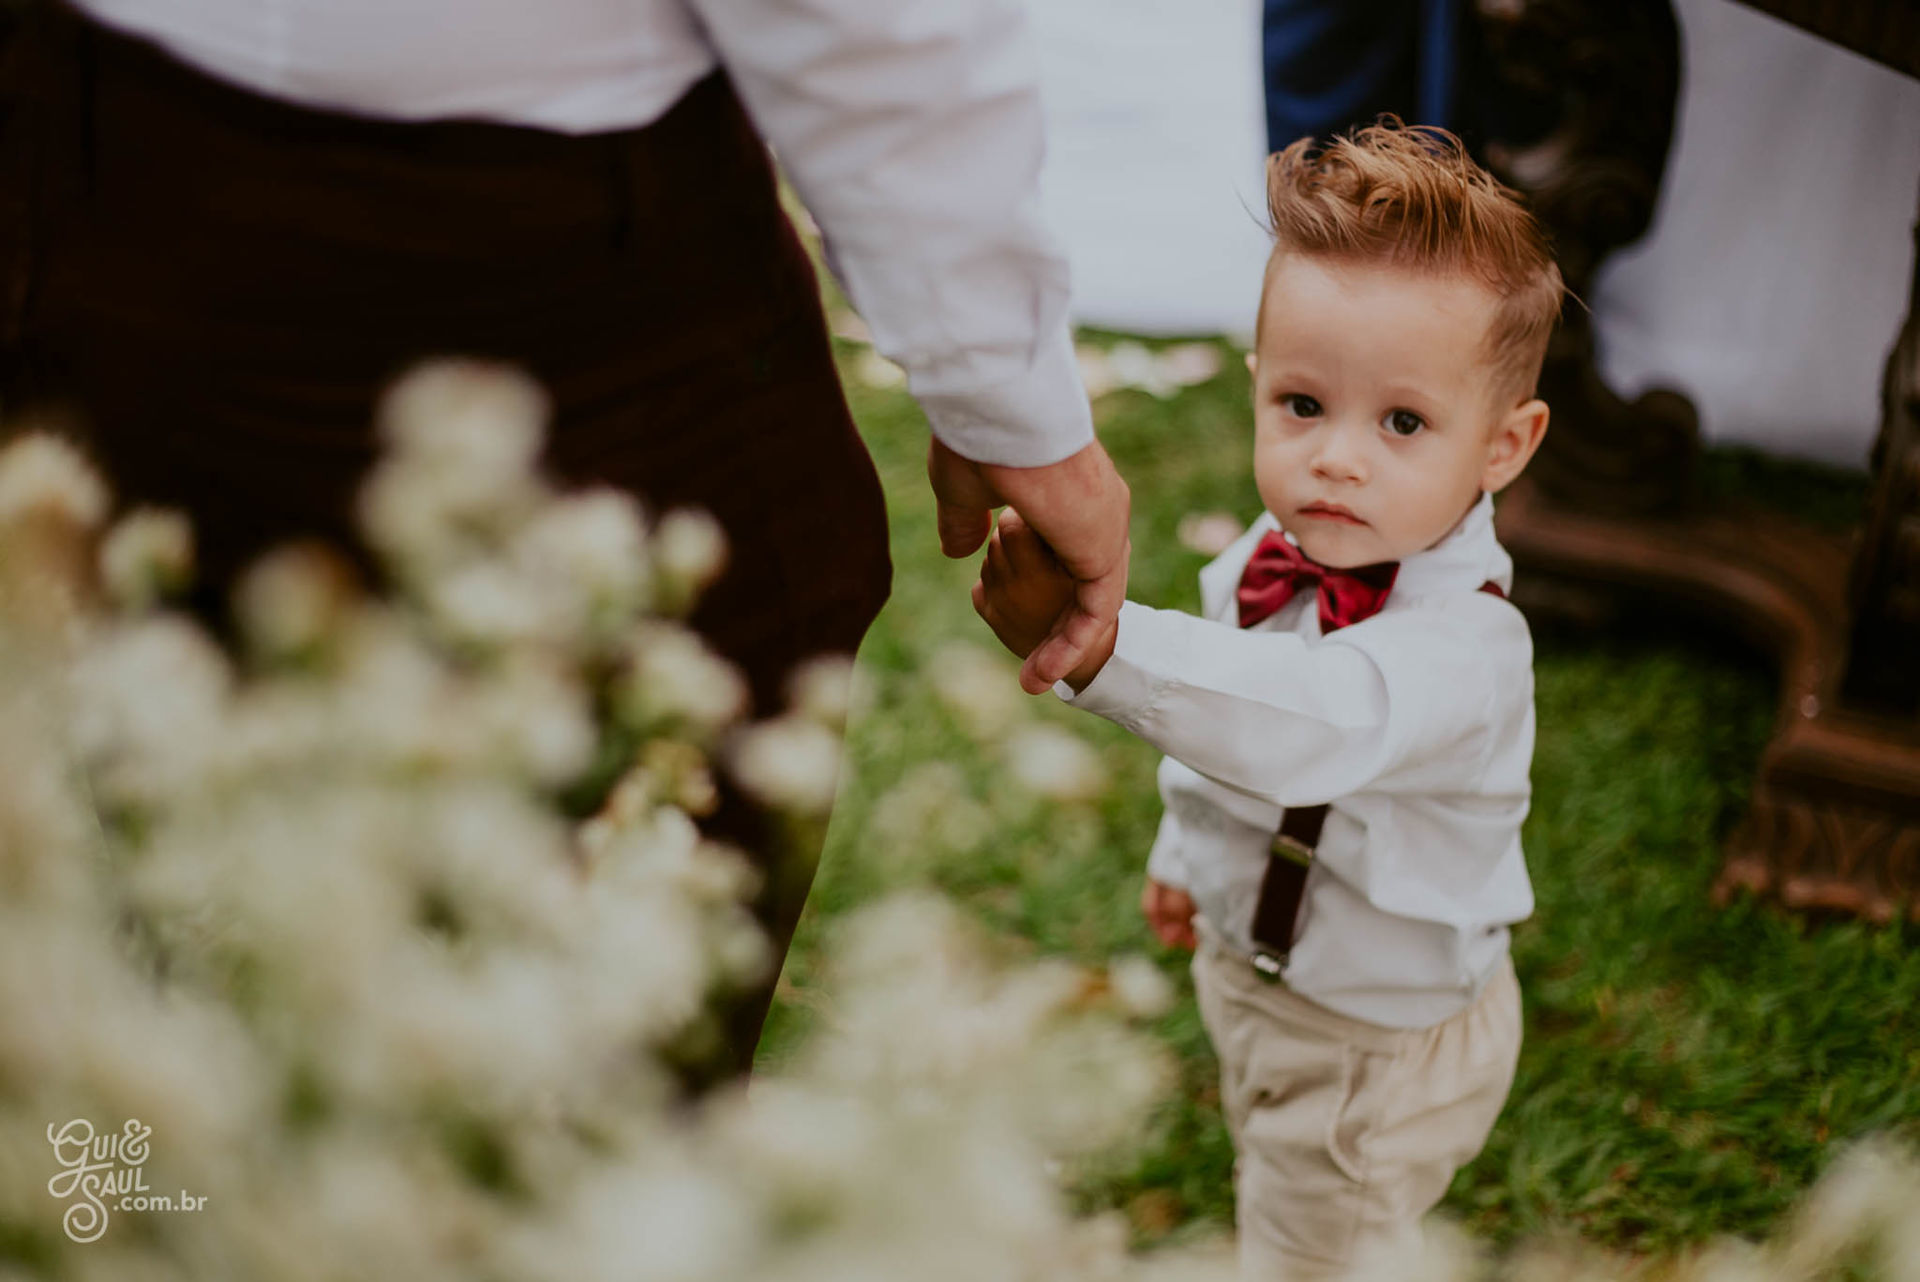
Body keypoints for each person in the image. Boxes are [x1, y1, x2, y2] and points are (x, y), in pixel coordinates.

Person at [0, 0, 1128, 1080]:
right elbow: (872, 26)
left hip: (92, 144)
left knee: (198, 815)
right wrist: (1005, 393)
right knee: (623, 935)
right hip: (536, 244)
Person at [974, 121, 1561, 1278]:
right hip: (1262, 976)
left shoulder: (1467, 649)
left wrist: (1102, 642)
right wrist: (1186, 858)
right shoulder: (1269, 551)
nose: (1337, 458)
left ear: (1505, 443)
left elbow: (1303, 721)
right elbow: (1220, 728)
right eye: (1303, 403)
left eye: (1402, 422)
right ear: (1255, 384)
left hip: (1374, 1040)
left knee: (1316, 1252)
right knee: (1277, 1186)